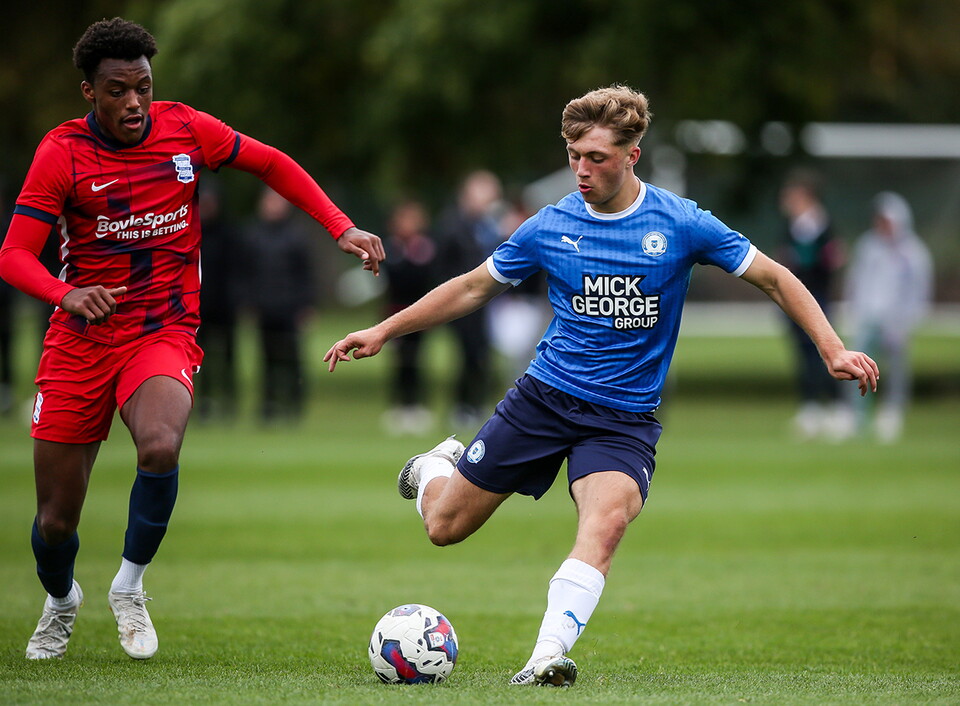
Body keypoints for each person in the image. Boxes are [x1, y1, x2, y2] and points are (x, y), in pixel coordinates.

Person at [324, 85, 879, 687]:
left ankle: (543, 659)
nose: (582, 169)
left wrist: (832, 347)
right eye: (573, 155)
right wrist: (384, 329)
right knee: (444, 528)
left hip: (623, 417)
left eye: (597, 157)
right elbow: (470, 288)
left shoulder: (681, 222)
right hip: (543, 398)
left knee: (606, 523)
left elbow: (774, 277)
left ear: (632, 155)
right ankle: (436, 468)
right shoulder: (550, 224)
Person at [0, 18, 384, 661]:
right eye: (118, 90)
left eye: (143, 87)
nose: (134, 103)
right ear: (89, 92)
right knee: (54, 522)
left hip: (162, 331)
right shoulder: (60, 152)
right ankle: (62, 600)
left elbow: (270, 162)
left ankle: (130, 585)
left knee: (159, 444)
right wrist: (65, 293)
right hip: (80, 340)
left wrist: (338, 226)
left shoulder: (185, 128)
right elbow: (14, 256)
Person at [843, 192, 933, 442]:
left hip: (896, 321)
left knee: (896, 370)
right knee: (856, 367)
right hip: (868, 316)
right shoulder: (868, 246)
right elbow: (856, 280)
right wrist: (854, 310)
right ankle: (855, 416)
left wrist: (908, 320)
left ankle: (892, 415)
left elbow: (919, 289)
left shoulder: (913, 253)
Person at [777, 168, 846, 439]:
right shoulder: (791, 227)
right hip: (793, 301)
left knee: (826, 351)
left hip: (818, 299)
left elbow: (833, 261)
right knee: (803, 355)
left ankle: (840, 409)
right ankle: (811, 408)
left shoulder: (823, 226)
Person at [433, 169, 504, 427]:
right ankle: (463, 405)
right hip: (462, 299)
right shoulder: (453, 224)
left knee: (481, 354)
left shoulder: (488, 225)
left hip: (487, 302)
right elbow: (442, 266)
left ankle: (476, 403)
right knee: (468, 353)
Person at [243, 187, 318, 423]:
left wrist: (306, 306)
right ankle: (269, 405)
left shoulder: (296, 236)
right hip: (265, 307)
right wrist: (249, 303)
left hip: (291, 307)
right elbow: (247, 274)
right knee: (266, 359)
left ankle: (294, 405)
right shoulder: (253, 235)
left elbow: (306, 274)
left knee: (292, 358)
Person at [381, 199, 439, 435]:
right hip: (395, 311)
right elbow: (390, 277)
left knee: (417, 359)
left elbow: (426, 278)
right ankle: (399, 406)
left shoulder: (424, 248)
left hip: (420, 312)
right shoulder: (390, 248)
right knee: (400, 362)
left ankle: (416, 406)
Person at [195, 182, 242, 422]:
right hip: (197, 307)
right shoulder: (192, 234)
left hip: (225, 307)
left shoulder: (229, 234)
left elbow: (239, 271)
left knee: (227, 357)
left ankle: (228, 401)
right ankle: (201, 401)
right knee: (199, 359)